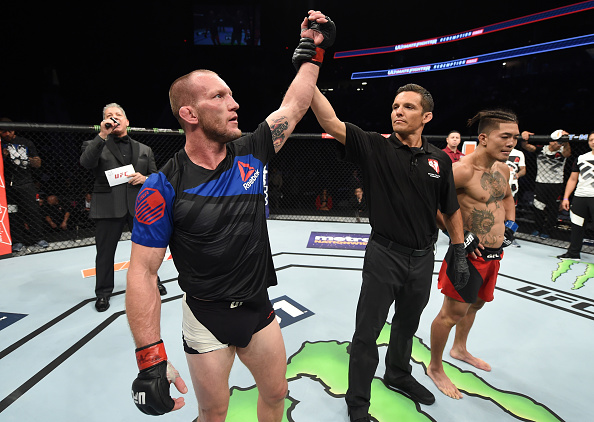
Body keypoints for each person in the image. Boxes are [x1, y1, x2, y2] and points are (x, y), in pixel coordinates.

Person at [124, 10, 335, 421]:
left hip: (259, 307)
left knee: (276, 395)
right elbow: (142, 273)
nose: (234, 103)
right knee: (213, 413)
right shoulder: (162, 186)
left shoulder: (253, 150)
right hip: (206, 315)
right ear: (189, 114)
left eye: (231, 94)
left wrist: (314, 53)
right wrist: (150, 359)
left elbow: (295, 103)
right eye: (218, 97)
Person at [310, 83, 468, 422]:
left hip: (423, 256)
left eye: (408, 107)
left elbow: (450, 207)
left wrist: (458, 250)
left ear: (426, 116)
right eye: (395, 106)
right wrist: (309, 74)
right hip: (385, 254)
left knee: (407, 324)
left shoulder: (439, 159)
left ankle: (397, 373)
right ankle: (357, 403)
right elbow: (330, 121)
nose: (398, 111)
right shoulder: (374, 147)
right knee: (367, 333)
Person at [427, 109, 519, 400]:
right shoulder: (462, 171)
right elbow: (431, 204)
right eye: (505, 136)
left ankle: (460, 349)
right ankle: (435, 367)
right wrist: (458, 237)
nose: (511, 143)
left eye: (515, 137)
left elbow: (506, 198)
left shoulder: (503, 170)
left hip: (494, 255)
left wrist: (511, 223)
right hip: (467, 256)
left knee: (477, 304)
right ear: (483, 137)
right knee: (450, 314)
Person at [80, 103, 166, 313]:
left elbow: (155, 177)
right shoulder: (94, 144)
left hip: (140, 206)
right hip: (108, 206)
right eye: (109, 115)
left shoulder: (144, 149)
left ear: (127, 121)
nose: (114, 118)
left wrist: (144, 178)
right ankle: (103, 293)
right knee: (105, 252)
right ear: (104, 121)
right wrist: (102, 135)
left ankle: (153, 280)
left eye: (118, 115)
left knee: (147, 249)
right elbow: (86, 163)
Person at [0, 118, 49, 252]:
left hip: (26, 183)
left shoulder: (26, 142)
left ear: (14, 130)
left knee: (32, 211)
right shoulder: (0, 145)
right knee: (12, 214)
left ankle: (38, 238)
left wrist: (22, 158)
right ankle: (17, 241)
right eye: (4, 132)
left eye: (10, 131)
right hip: (8, 187)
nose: (7, 134)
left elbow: (38, 163)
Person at [522, 131, 571, 239]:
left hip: (556, 184)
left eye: (560, 141)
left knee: (554, 209)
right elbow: (526, 146)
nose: (559, 143)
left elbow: (567, 154)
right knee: (538, 207)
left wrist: (566, 140)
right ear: (550, 141)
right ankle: (537, 228)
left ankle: (547, 231)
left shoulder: (563, 150)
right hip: (541, 183)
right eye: (557, 140)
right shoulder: (541, 149)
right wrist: (524, 136)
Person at [557, 131, 594, 260]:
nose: (593, 142)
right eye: (591, 140)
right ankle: (573, 253)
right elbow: (573, 179)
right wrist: (566, 197)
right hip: (580, 196)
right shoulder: (581, 158)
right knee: (577, 226)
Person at [506, 146, 526, 247]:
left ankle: (509, 236)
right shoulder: (497, 150)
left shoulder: (519, 153)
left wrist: (516, 175)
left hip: (512, 186)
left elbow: (523, 170)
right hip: (498, 184)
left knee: (511, 211)